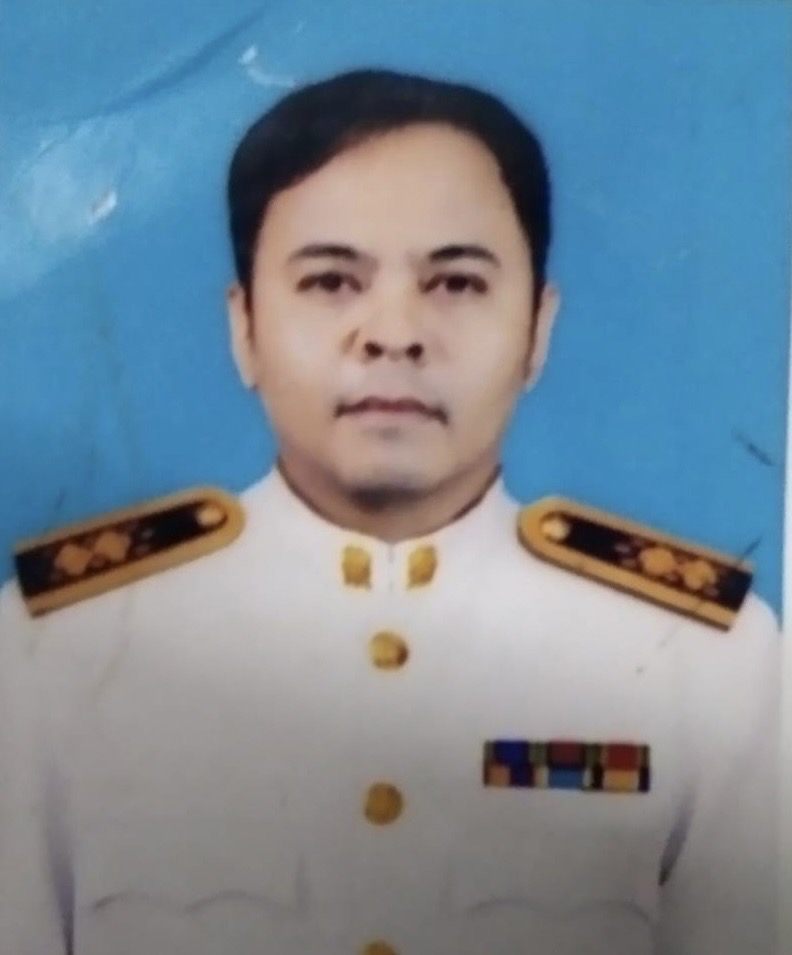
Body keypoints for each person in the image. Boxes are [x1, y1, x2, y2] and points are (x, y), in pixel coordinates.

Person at [0, 69, 779, 955]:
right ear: (244, 327)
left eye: (457, 284)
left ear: (539, 329)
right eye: (332, 281)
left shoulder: (707, 665)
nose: (394, 333)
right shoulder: (49, 652)